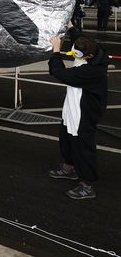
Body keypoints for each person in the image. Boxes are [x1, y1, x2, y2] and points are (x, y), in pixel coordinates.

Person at [48, 25, 108, 199]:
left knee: (83, 146)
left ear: (87, 56)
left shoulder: (91, 71)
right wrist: (71, 26)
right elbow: (79, 37)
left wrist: (56, 50)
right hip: (72, 104)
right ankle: (70, 166)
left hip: (84, 112)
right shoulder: (91, 47)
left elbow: (58, 72)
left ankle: (87, 185)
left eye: (77, 54)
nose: (74, 54)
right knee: (66, 136)